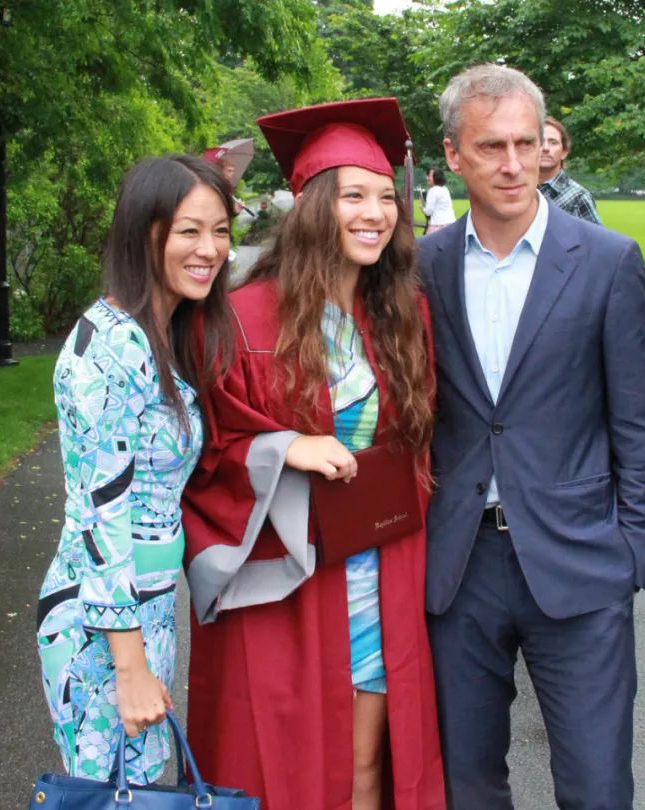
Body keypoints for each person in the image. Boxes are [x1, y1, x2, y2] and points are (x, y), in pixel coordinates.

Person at [181, 98, 446, 810]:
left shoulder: (403, 314)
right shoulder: (243, 318)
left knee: (368, 766)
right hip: (289, 581)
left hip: (382, 572)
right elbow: (204, 456)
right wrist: (285, 447)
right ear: (310, 205)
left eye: (386, 197)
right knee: (287, 768)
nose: (375, 213)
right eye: (353, 195)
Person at [418, 64, 645, 809]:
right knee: (466, 786)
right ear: (453, 154)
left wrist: (629, 552)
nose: (513, 164)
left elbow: (640, 428)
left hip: (580, 563)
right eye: (491, 146)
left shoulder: (607, 262)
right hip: (459, 567)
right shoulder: (421, 267)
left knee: (596, 788)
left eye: (525, 144)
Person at [36, 155, 235, 784]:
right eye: (189, 231)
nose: (210, 250)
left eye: (221, 231)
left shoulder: (158, 333)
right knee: (116, 793)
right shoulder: (108, 349)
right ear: (145, 233)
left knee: (138, 786)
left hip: (147, 611)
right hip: (102, 627)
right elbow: (98, 515)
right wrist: (130, 668)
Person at [537, 116, 602, 224]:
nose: (546, 148)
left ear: (564, 152)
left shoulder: (578, 197)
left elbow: (595, 235)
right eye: (540, 142)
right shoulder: (520, 192)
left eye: (553, 142)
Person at [423, 166, 456, 233]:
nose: (427, 178)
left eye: (429, 176)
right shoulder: (445, 189)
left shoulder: (432, 191)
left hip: (437, 225)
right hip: (451, 223)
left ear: (436, 178)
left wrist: (422, 207)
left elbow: (428, 212)